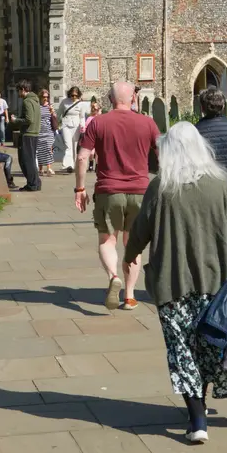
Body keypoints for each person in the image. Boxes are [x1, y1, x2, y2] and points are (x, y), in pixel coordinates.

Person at [122, 122, 227, 444]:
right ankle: (200, 405)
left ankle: (197, 416)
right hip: (215, 282)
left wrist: (130, 254)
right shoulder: (219, 185)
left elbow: (141, 228)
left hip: (171, 284)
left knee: (181, 349)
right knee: (207, 346)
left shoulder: (160, 187)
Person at [74, 81, 159, 310]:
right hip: (140, 192)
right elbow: (163, 154)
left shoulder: (98, 123)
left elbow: (82, 157)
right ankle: (130, 296)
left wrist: (80, 189)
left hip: (108, 191)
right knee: (133, 244)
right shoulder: (148, 123)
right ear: (133, 99)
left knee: (107, 241)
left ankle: (113, 277)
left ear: (110, 100)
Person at [9, 80, 43, 190]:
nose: (18, 93)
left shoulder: (27, 102)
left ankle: (32, 184)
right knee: (31, 160)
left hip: (28, 134)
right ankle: (36, 183)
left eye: (18, 90)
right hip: (34, 133)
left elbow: (29, 119)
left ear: (23, 90)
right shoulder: (35, 100)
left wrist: (15, 120)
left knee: (25, 160)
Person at [57, 86, 86, 172]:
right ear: (70, 94)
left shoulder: (81, 104)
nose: (74, 97)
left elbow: (82, 117)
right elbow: (59, 113)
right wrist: (58, 123)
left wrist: (82, 126)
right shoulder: (64, 102)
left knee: (75, 145)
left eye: (76, 95)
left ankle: (74, 164)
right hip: (66, 124)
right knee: (68, 145)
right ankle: (68, 164)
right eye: (72, 95)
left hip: (76, 125)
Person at [37, 88, 58, 175]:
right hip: (40, 131)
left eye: (47, 97)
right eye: (43, 96)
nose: (45, 98)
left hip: (49, 131)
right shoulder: (38, 106)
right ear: (40, 97)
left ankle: (49, 168)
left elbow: (55, 117)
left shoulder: (50, 106)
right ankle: (41, 168)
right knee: (40, 149)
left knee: (49, 149)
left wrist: (53, 112)